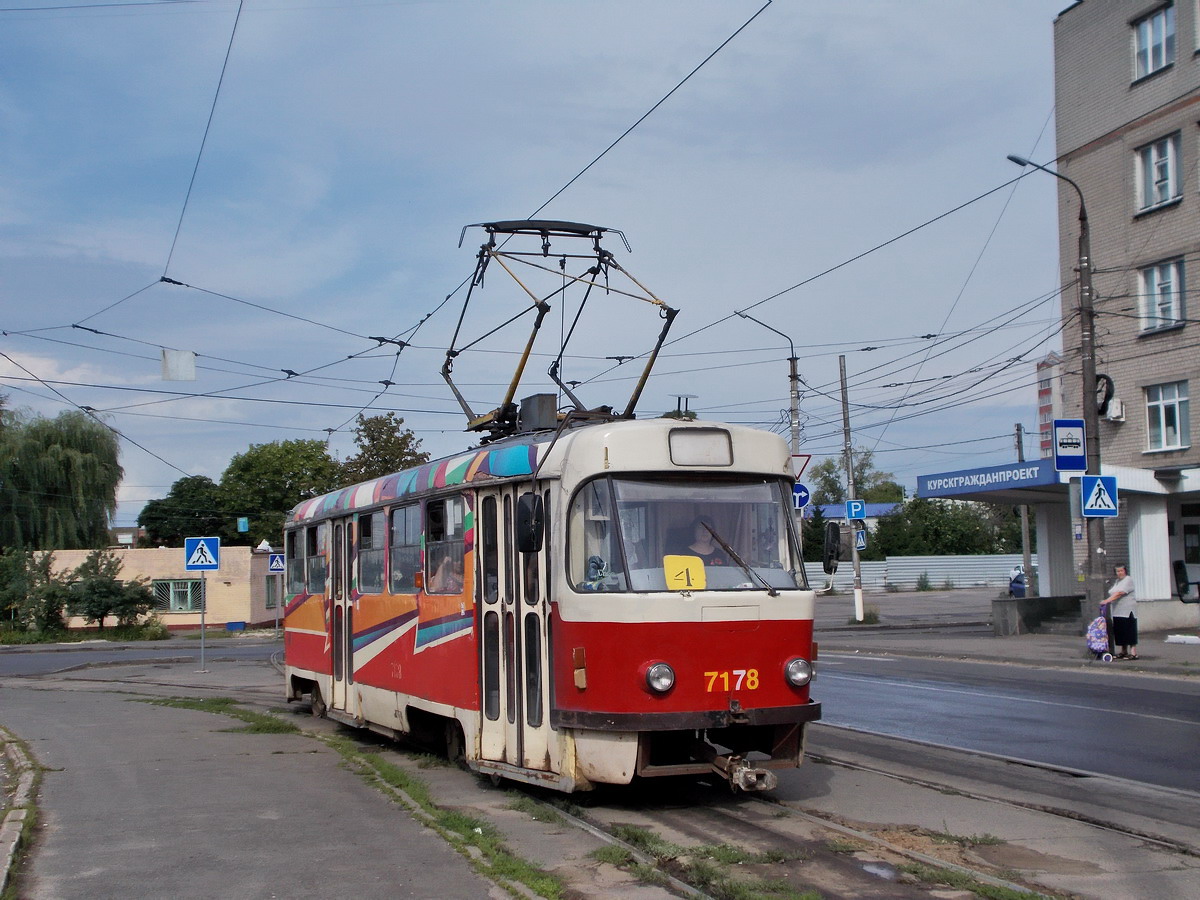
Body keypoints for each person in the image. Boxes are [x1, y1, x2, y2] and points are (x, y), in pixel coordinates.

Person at [1100, 563, 1138, 660]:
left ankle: (1133, 652)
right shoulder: (1117, 581)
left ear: (1125, 571)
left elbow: (1120, 593)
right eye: (1118, 571)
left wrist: (1107, 600)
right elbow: (1114, 591)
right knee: (1120, 630)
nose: (1120, 573)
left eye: (1121, 570)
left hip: (1127, 610)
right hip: (1117, 610)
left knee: (1129, 630)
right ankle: (1123, 651)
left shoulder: (1128, 580)